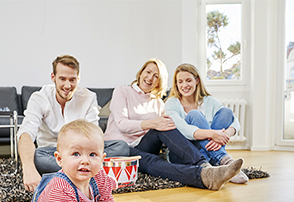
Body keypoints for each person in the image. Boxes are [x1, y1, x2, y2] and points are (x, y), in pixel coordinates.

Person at [104, 58, 244, 191]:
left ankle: (204, 165)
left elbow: (166, 129)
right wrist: (153, 123)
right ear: (141, 73)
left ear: (159, 82)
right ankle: (205, 174)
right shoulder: (122, 91)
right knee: (153, 160)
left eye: (156, 76)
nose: (150, 78)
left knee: (165, 125)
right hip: (120, 147)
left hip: (143, 145)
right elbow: (122, 124)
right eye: (148, 72)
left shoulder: (158, 102)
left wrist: (159, 125)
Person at [18, 54, 129, 192]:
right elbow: (26, 133)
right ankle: (88, 173)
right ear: (53, 77)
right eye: (62, 79)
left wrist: (82, 156)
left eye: (72, 79)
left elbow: (94, 135)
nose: (67, 85)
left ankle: (68, 175)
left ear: (78, 78)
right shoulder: (39, 98)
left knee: (122, 147)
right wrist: (28, 169)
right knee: (37, 157)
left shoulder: (89, 97)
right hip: (52, 152)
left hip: (83, 152)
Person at [165, 63, 248, 184]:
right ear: (176, 84)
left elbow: (234, 120)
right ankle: (224, 159)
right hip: (183, 154)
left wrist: (225, 134)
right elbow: (183, 129)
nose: (184, 85)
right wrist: (213, 134)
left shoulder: (208, 100)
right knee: (194, 115)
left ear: (197, 80)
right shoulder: (171, 103)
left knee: (226, 112)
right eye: (180, 82)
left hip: (208, 153)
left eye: (188, 80)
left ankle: (213, 163)